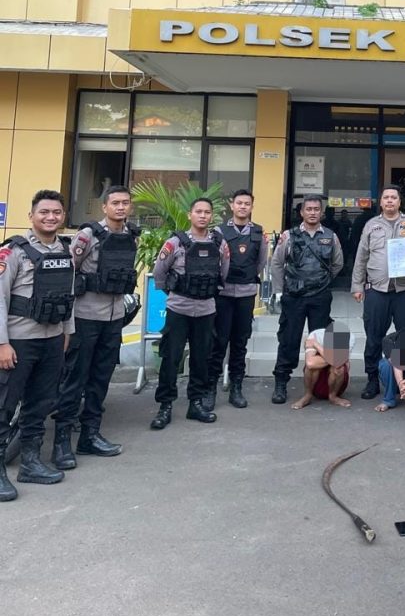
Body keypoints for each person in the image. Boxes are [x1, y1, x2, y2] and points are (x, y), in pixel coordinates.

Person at [51, 185, 139, 470]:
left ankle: (90, 435)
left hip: (113, 318)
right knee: (75, 380)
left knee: (101, 379)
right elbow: (69, 270)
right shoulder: (88, 235)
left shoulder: (131, 236)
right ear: (105, 207)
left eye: (125, 203)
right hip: (85, 317)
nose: (121, 207)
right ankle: (62, 442)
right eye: (115, 203)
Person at [0, 190, 75, 502]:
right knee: (4, 406)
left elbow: (69, 295)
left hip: (52, 340)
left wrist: (67, 332)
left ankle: (30, 462)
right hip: (19, 341)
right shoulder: (13, 252)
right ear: (31, 216)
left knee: (40, 403)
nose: (50, 217)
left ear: (63, 216)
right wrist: (2, 343)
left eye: (56, 212)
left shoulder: (66, 250)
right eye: (44, 212)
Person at [150, 198, 230, 431]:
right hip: (179, 309)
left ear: (212, 216)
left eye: (207, 212)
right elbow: (159, 273)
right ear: (189, 215)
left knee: (201, 358)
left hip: (206, 310)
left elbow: (224, 272)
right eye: (198, 211)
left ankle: (196, 402)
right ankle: (165, 405)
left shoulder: (219, 243)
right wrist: (177, 293)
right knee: (171, 358)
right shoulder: (175, 243)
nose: (203, 216)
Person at [351, 184, 405, 400]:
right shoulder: (371, 225)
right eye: (386, 198)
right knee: (374, 337)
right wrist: (357, 285)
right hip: (377, 289)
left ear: (400, 202)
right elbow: (361, 257)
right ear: (381, 202)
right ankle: (373, 379)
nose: (390, 201)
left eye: (394, 197)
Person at [270, 195, 344, 405]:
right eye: (308, 209)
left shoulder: (331, 236)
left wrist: (322, 281)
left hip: (320, 297)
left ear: (322, 212)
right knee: (288, 339)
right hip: (294, 297)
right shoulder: (289, 236)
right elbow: (277, 263)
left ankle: (317, 385)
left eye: (316, 209)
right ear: (301, 212)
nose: (312, 212)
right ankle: (281, 383)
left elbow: (338, 263)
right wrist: (279, 290)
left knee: (320, 341)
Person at [206, 189, 269, 412]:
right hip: (223, 295)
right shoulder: (218, 232)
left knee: (240, 343)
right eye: (239, 203)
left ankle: (236, 388)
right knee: (218, 343)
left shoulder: (259, 233)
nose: (243, 207)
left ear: (252, 206)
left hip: (246, 293)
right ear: (231, 205)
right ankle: (210, 390)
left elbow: (261, 262)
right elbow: (213, 260)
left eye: (247, 204)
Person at [291, 320, 355, 410]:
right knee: (312, 367)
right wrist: (334, 357)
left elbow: (339, 363)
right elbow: (310, 363)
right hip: (317, 381)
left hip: (336, 383)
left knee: (339, 368)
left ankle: (333, 397)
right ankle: (307, 395)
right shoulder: (315, 336)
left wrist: (316, 345)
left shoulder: (350, 338)